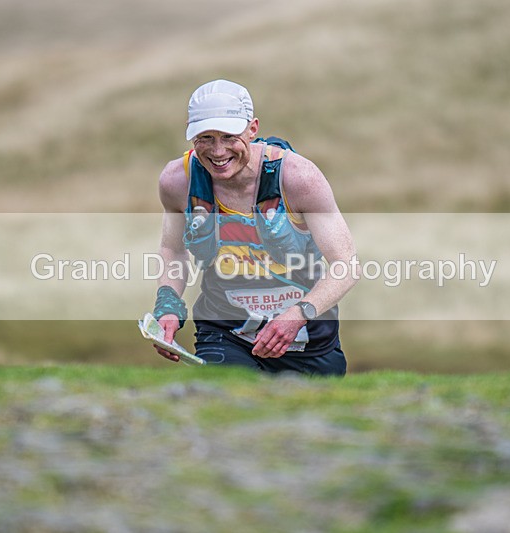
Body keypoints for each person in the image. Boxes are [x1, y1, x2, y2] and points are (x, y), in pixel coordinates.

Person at [152, 79, 358, 376]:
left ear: (253, 129)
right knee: (224, 402)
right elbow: (173, 250)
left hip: (308, 344)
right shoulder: (177, 181)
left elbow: (346, 264)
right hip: (224, 333)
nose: (218, 151)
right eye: (205, 138)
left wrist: (299, 314)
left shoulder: (298, 178)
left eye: (228, 136)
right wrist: (168, 305)